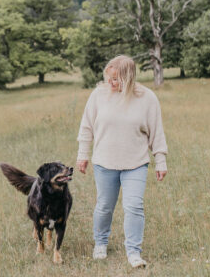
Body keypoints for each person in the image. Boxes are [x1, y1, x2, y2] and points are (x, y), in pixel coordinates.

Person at [76, 55, 169, 268]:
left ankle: (134, 252)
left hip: (135, 163)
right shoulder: (99, 95)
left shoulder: (147, 98)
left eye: (116, 79)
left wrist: (161, 160)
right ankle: (100, 243)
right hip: (104, 162)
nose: (111, 82)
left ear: (128, 78)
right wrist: (83, 155)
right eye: (108, 77)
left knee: (134, 206)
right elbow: (86, 127)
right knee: (104, 206)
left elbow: (157, 132)